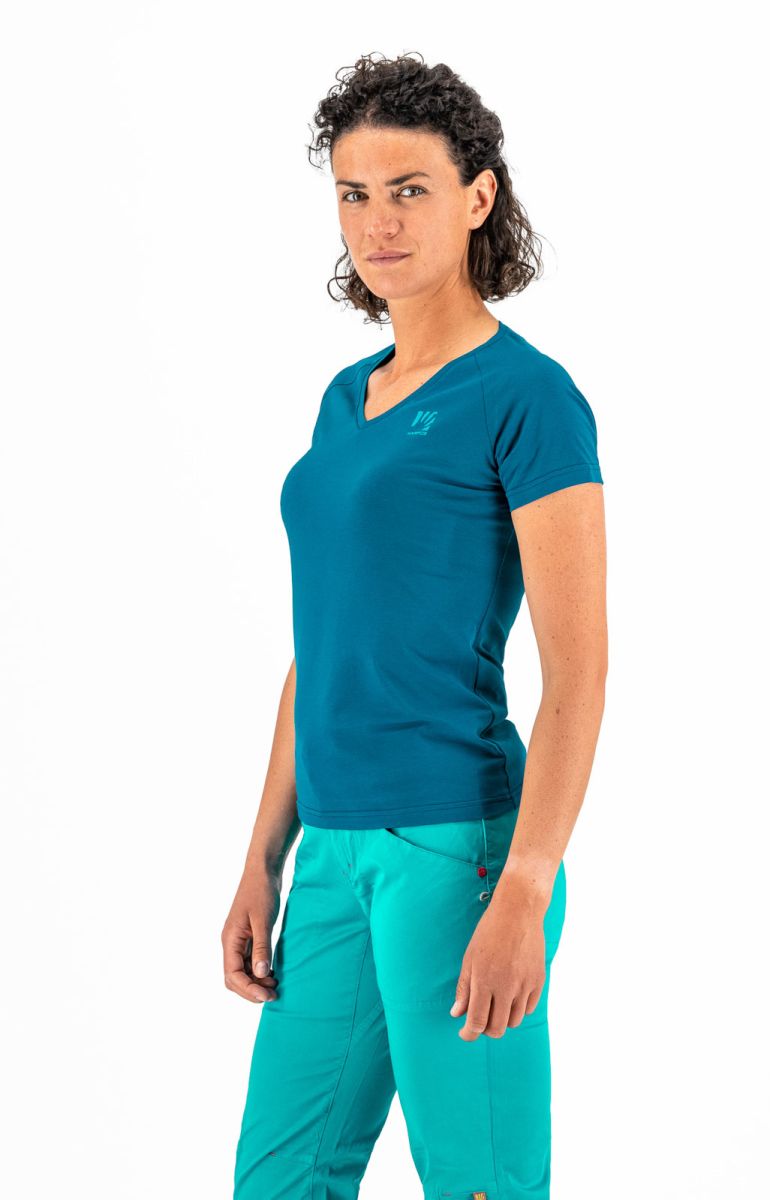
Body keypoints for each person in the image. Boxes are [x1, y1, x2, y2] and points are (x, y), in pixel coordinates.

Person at [223, 51, 607, 1200]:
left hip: (456, 849)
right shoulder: (345, 399)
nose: (376, 223)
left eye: (408, 190)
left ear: (476, 197)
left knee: (480, 1184)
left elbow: (578, 670)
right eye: (353, 193)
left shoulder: (526, 397)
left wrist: (524, 886)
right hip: (332, 852)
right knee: (278, 1182)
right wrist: (263, 857)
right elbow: (321, 648)